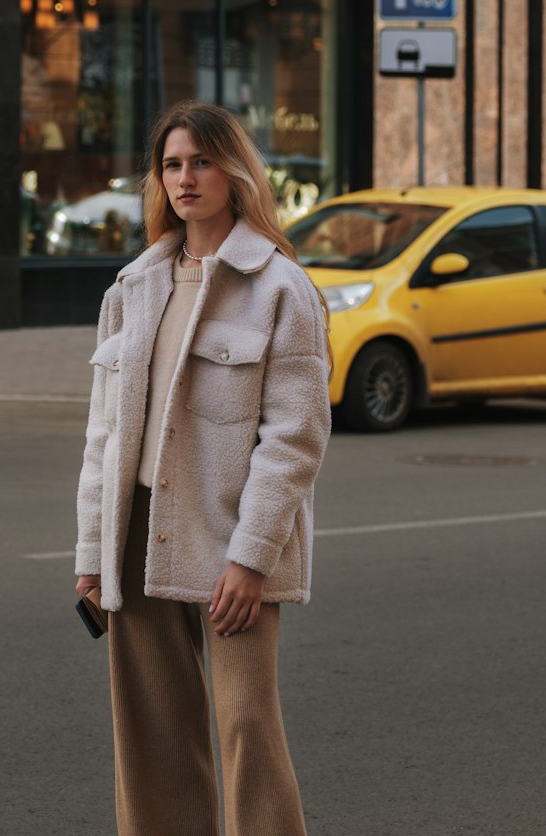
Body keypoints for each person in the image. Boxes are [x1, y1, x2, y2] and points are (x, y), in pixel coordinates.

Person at [74, 100, 332, 836]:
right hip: (138, 531)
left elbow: (296, 438)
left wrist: (250, 559)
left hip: (231, 539)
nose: (187, 178)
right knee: (152, 736)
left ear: (234, 171)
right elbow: (103, 436)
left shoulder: (282, 289)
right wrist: (93, 551)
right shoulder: (135, 287)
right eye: (172, 165)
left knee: (247, 724)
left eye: (202, 161)